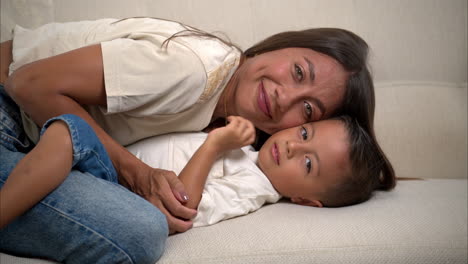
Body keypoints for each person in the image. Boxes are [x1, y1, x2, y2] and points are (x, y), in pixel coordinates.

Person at [0, 17, 391, 263]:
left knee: (139, 225)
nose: (283, 97)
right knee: (79, 147)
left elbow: (184, 206)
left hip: (34, 137)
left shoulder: (233, 136)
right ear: (278, 45)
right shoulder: (194, 71)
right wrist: (137, 172)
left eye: (307, 112)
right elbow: (27, 83)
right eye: (298, 72)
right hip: (10, 111)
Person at [1, 114, 395, 231]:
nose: (293, 145)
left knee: (70, 131)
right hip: (105, 170)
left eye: (308, 164)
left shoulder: (252, 190)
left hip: (110, 186)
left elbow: (183, 208)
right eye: (305, 133)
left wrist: (213, 145)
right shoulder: (250, 151)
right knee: (63, 133)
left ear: (306, 200)